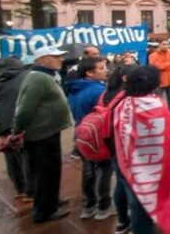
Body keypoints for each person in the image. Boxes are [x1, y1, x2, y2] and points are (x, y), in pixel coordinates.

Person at [112, 66, 170, 233]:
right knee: (152, 201)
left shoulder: (122, 104)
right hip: (155, 165)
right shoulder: (159, 107)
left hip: (130, 164)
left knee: (136, 200)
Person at [12, 46, 74, 223]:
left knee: (51, 171)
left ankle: (51, 201)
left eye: (60, 56)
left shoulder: (46, 76)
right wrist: (17, 131)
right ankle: (43, 212)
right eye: (55, 56)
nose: (60, 59)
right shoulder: (38, 79)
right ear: (41, 60)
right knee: (45, 173)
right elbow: (24, 109)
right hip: (41, 135)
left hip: (48, 132)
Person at [66, 57, 117, 220]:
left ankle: (89, 205)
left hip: (81, 133)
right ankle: (104, 206)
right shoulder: (98, 90)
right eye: (101, 68)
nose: (106, 70)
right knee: (103, 169)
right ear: (89, 72)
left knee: (88, 170)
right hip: (98, 135)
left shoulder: (75, 87)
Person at [103, 64, 139, 234]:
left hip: (112, 146)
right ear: (125, 78)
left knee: (120, 184)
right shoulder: (127, 97)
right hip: (125, 148)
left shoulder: (106, 93)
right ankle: (133, 223)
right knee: (132, 189)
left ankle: (122, 221)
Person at [0, 58, 32, 203]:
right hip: (20, 122)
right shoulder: (26, 76)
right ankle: (31, 191)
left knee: (11, 157)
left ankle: (20, 190)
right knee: (26, 157)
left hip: (3, 124)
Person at [149, 41, 170, 115]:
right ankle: (159, 115)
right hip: (159, 81)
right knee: (158, 100)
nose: (165, 46)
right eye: (163, 44)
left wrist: (162, 66)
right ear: (159, 45)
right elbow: (155, 67)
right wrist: (168, 63)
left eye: (167, 44)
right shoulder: (152, 55)